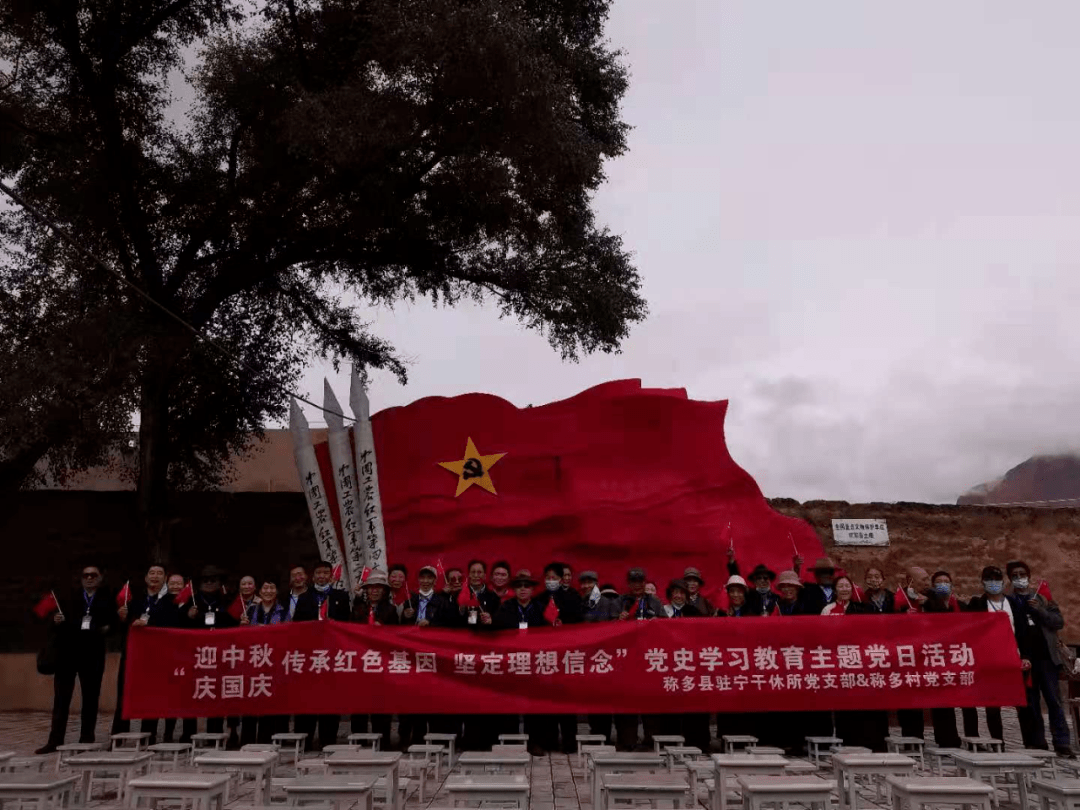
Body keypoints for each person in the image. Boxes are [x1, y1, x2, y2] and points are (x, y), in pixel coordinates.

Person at [36, 564, 116, 754]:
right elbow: (56, 623)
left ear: (100, 578)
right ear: (81, 578)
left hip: (93, 655)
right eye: (85, 575)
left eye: (93, 575)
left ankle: (86, 739)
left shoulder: (107, 598)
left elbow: (112, 624)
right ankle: (54, 740)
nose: (89, 578)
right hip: (67, 654)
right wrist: (55, 621)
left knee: (90, 699)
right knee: (61, 699)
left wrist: (105, 628)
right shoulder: (68, 597)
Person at [1006, 560, 1073, 757]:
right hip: (1024, 661)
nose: (1019, 578)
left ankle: (1062, 744)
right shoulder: (1009, 601)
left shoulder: (1043, 598)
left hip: (1047, 659)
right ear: (1010, 579)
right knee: (1030, 704)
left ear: (1028, 576)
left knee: (1054, 702)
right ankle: (1036, 743)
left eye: (1022, 574)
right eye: (1015, 575)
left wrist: (1039, 610)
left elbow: (1058, 622)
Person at [493, 570, 550, 755]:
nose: (523, 589)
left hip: (535, 663)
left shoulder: (543, 608)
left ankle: (536, 742)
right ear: (514, 590)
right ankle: (510, 741)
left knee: (535, 705)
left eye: (527, 586)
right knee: (509, 704)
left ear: (532, 589)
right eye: (519, 586)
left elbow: (552, 635)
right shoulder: (505, 607)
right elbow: (497, 633)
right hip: (511, 663)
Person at [114, 565, 173, 742]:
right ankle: (118, 736)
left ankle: (149, 736)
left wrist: (149, 624)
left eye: (160, 573)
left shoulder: (170, 601)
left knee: (151, 696)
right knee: (124, 695)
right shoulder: (133, 599)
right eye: (152, 573)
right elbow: (119, 630)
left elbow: (172, 625)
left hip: (156, 656)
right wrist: (123, 618)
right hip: (132, 655)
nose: (155, 576)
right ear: (146, 577)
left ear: (165, 578)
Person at [180, 565, 238, 743]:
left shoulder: (227, 600)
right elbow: (179, 625)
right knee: (193, 693)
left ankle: (217, 733)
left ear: (219, 582)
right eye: (205, 580)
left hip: (221, 655)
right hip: (197, 656)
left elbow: (236, 623)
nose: (209, 583)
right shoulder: (192, 600)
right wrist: (188, 616)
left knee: (219, 693)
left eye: (213, 579)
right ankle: (188, 733)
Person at [299, 560, 350, 749]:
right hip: (310, 656)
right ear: (313, 577)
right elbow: (297, 625)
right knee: (308, 699)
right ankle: (305, 740)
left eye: (325, 573)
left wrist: (336, 624)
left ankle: (328, 741)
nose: (322, 576)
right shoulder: (305, 597)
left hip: (333, 655)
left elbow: (349, 624)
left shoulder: (341, 596)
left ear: (332, 576)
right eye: (318, 573)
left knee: (330, 699)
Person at [961, 566, 1016, 743]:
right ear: (983, 582)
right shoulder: (976, 603)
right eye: (989, 579)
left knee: (994, 704)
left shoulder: (1013, 603)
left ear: (1003, 581)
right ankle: (973, 739)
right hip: (981, 657)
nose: (993, 582)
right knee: (970, 700)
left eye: (996, 579)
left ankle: (998, 741)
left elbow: (1021, 631)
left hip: (1006, 657)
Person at [615, 568, 666, 751]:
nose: (637, 585)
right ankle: (627, 739)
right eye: (633, 582)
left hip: (649, 657)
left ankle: (651, 739)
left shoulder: (654, 601)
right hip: (626, 658)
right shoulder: (620, 602)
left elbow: (667, 625)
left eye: (640, 581)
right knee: (626, 700)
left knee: (650, 700)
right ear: (628, 584)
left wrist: (657, 623)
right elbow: (607, 628)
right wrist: (618, 620)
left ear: (645, 583)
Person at [537, 563, 583, 754]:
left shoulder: (572, 596)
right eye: (547, 577)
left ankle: (569, 742)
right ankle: (549, 741)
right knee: (547, 700)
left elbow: (580, 621)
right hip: (546, 655)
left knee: (567, 700)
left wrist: (566, 624)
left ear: (561, 578)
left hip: (567, 654)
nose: (551, 581)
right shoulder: (539, 598)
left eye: (554, 577)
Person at [352, 571, 398, 748]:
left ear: (384, 591)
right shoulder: (358, 609)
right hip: (360, 663)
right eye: (371, 588)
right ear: (366, 590)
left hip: (382, 664)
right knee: (360, 706)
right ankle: (358, 742)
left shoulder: (390, 610)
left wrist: (383, 629)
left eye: (379, 588)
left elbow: (397, 636)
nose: (375, 591)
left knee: (381, 705)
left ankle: (383, 742)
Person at [399, 564, 443, 747]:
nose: (425, 581)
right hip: (411, 655)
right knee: (409, 697)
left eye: (429, 578)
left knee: (430, 697)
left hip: (432, 656)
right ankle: (406, 737)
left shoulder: (442, 601)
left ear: (434, 580)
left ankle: (428, 738)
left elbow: (448, 626)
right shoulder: (411, 600)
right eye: (422, 578)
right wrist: (406, 616)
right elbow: (397, 631)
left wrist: (431, 624)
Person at [242, 578, 290, 742]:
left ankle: (265, 740)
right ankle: (247, 740)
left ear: (276, 592)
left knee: (269, 700)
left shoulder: (283, 611)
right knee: (251, 700)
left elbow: (288, 635)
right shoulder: (250, 610)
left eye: (272, 588)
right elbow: (241, 637)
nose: (268, 591)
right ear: (260, 591)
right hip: (253, 662)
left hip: (273, 662)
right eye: (265, 588)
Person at [919, 570, 962, 748]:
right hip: (932, 653)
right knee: (937, 697)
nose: (942, 584)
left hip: (953, 655)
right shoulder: (928, 599)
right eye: (939, 581)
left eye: (946, 581)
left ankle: (952, 737)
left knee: (950, 699)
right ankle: (940, 737)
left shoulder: (958, 604)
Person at [579, 570, 619, 743]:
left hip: (604, 657)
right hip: (586, 657)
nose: (587, 586)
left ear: (596, 583)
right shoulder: (580, 602)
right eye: (584, 583)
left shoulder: (608, 602)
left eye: (590, 582)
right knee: (591, 698)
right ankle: (596, 734)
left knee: (605, 698)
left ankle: (605, 736)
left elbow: (616, 627)